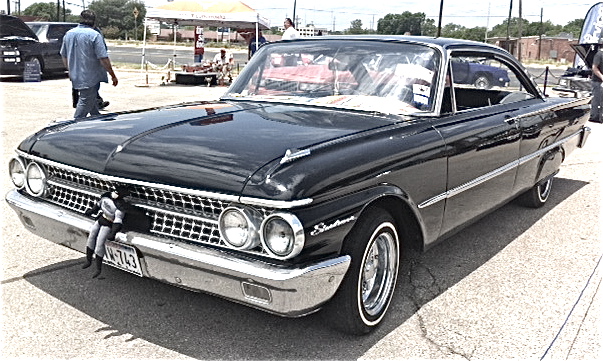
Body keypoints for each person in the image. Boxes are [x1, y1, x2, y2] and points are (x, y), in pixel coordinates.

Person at [61, 10, 118, 119]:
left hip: (76, 75)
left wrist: (70, 71)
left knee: (91, 101)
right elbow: (103, 58)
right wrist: (113, 75)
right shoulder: (94, 35)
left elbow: (64, 55)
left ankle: (97, 120)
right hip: (91, 76)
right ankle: (73, 127)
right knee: (85, 101)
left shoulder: (69, 34)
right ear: (94, 22)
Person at [83, 187, 127, 278]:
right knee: (91, 237)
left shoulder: (119, 208)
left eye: (117, 194)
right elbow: (97, 206)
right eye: (115, 192)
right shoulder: (105, 197)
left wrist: (113, 233)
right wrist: (91, 211)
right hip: (101, 219)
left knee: (100, 242)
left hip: (108, 223)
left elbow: (118, 221)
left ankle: (98, 268)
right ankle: (88, 260)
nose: (115, 194)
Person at [590, 45, 603, 123]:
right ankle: (595, 117)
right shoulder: (599, 54)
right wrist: (601, 77)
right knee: (597, 100)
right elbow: (594, 67)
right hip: (597, 81)